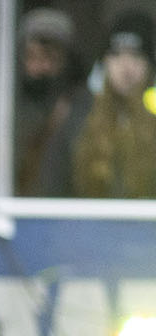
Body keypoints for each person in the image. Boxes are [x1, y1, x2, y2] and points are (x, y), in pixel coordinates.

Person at [72, 10, 156, 200]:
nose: (126, 67)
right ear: (104, 63)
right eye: (117, 55)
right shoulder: (80, 117)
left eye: (136, 56)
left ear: (150, 65)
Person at [15, 7, 90, 197]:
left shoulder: (84, 107)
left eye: (51, 57)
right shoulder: (6, 105)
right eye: (33, 56)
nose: (42, 66)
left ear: (67, 60)